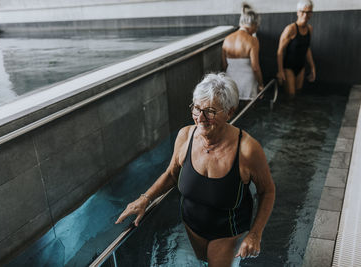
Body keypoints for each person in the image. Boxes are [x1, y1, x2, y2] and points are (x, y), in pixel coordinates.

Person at [116, 73, 275, 266]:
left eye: (209, 111)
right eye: (196, 108)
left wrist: (255, 234)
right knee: (202, 260)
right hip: (192, 225)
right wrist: (145, 198)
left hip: (227, 231)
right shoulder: (185, 136)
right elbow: (172, 174)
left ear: (229, 112)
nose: (200, 118)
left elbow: (267, 191)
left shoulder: (247, 150)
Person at [222, 3, 264, 102]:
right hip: (248, 83)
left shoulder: (227, 39)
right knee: (248, 111)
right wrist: (261, 84)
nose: (256, 29)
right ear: (253, 24)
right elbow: (255, 67)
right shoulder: (253, 40)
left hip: (230, 81)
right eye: (256, 26)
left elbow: (224, 65)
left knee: (233, 111)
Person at [277, 0, 316, 97]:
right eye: (303, 12)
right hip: (288, 67)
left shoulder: (309, 29)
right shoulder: (290, 29)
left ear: (311, 13)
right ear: (298, 12)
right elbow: (280, 51)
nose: (305, 15)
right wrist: (280, 71)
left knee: (298, 94)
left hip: (301, 67)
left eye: (308, 12)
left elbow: (307, 49)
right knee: (291, 96)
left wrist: (312, 67)